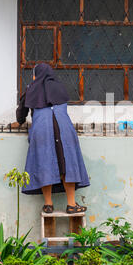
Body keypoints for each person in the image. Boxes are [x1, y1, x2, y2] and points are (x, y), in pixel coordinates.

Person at [15, 63, 90, 214]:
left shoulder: (32, 89)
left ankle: (48, 204)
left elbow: (21, 111)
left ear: (36, 75)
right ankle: (71, 204)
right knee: (67, 164)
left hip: (42, 131)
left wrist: (21, 120)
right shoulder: (59, 87)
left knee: (44, 164)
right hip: (64, 130)